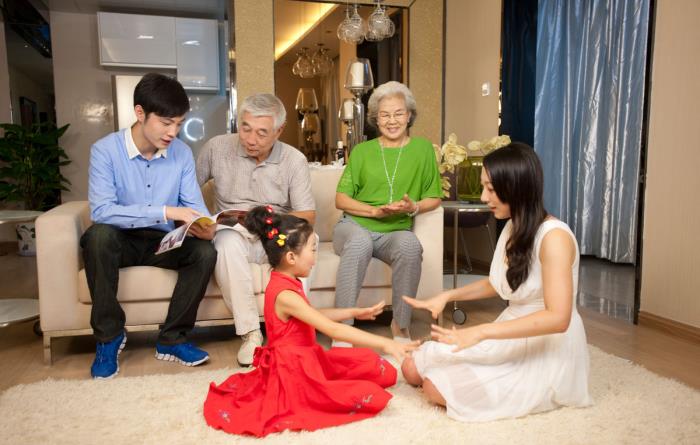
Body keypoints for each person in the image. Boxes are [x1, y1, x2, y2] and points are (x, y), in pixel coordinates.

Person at [401, 142, 592, 421]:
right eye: (484, 187)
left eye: (490, 189)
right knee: (411, 367)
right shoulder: (514, 226)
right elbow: (496, 283)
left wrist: (481, 332)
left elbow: (558, 318)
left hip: (547, 345)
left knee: (434, 387)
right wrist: (447, 295)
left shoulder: (554, 238)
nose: (483, 197)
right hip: (509, 333)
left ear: (516, 187)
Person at [203, 206, 418, 437]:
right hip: (295, 373)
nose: (315, 259)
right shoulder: (285, 295)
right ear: (291, 257)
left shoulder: (286, 280)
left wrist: (354, 311)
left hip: (310, 359)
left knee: (379, 368)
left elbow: (312, 314)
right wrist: (387, 344)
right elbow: (331, 329)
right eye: (312, 250)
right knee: (370, 395)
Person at [81, 73, 217, 379]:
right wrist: (165, 211)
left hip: (162, 243)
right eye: (166, 123)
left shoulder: (181, 153)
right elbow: (102, 211)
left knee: (205, 252)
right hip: (120, 240)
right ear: (140, 113)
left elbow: (195, 207)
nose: (173, 132)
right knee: (97, 237)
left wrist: (206, 225)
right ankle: (109, 337)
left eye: (179, 124)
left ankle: (172, 338)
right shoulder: (105, 151)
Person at [196, 93, 316, 366]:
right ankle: (250, 334)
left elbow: (307, 216)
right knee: (225, 242)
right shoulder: (216, 148)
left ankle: (294, 332)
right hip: (234, 232)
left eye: (262, 133)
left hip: (275, 232)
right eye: (245, 128)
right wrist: (201, 221)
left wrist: (267, 219)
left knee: (306, 240)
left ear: (279, 131)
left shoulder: (294, 159)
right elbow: (186, 188)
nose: (250, 139)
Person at [333, 81, 442, 344]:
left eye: (398, 113)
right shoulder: (362, 151)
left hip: (394, 231)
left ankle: (400, 324)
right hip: (353, 226)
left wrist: (413, 207)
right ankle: (342, 328)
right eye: (384, 115)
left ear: (409, 115)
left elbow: (434, 197)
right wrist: (373, 212)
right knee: (359, 242)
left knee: (410, 246)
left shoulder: (423, 150)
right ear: (376, 118)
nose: (392, 121)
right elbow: (340, 199)